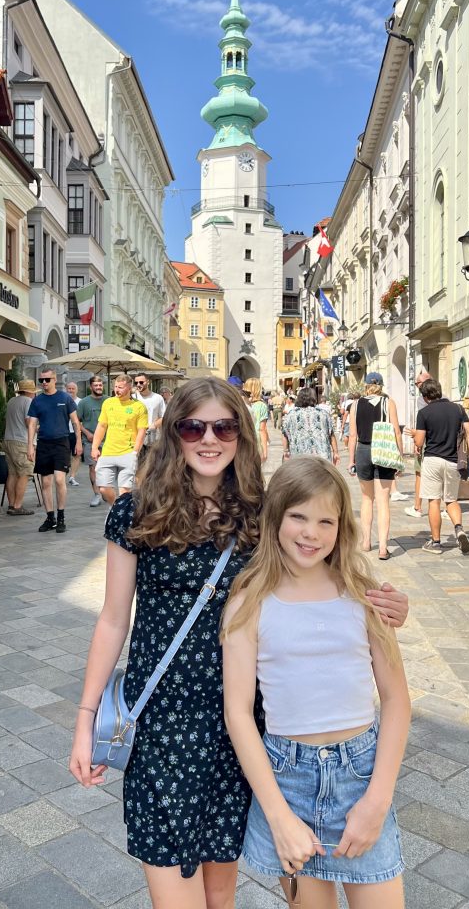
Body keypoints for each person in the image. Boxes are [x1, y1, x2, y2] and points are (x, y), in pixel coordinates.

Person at [69, 379, 410, 909]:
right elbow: (114, 620)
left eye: (224, 426)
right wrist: (87, 718)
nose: (209, 439)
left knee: (221, 892)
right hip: (164, 724)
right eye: (193, 426)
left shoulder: (260, 513)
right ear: (172, 433)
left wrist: (385, 605)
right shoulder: (136, 513)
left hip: (245, 728)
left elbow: (322, 566)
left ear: (241, 435)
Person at [222, 456, 410, 909]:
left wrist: (377, 802)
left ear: (342, 526)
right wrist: (279, 816)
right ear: (275, 518)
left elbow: (397, 700)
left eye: (326, 521)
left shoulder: (364, 595)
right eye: (298, 517)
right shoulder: (248, 603)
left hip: (360, 778)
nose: (311, 533)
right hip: (288, 781)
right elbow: (239, 713)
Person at [413, 379, 469, 555]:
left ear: (425, 397)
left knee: (434, 501)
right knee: (451, 500)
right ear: (439, 392)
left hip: (433, 460)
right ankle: (459, 529)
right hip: (453, 460)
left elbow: (419, 441)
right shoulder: (457, 409)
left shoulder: (424, 413)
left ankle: (436, 542)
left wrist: (414, 437)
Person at [348, 373, 403, 561]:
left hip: (363, 449)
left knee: (366, 498)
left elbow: (353, 435)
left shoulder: (356, 405)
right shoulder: (389, 403)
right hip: (384, 450)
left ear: (366, 385)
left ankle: (365, 542)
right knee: (383, 501)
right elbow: (396, 431)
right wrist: (400, 456)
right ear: (381, 385)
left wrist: (351, 460)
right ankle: (383, 547)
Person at [26, 368, 82, 535]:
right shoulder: (37, 401)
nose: (44, 383)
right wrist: (30, 445)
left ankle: (61, 516)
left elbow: (75, 421)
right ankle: (50, 517)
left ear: (54, 380)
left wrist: (78, 441)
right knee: (46, 483)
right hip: (44, 443)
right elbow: (32, 425)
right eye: (41, 380)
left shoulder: (65, 398)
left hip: (61, 443)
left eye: (47, 380)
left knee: (59, 480)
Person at [91, 374, 147, 505]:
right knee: (103, 488)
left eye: (121, 387)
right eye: (116, 386)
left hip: (127, 452)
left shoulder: (139, 407)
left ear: (129, 388)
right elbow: (102, 426)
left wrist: (135, 452)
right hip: (108, 452)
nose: (117, 390)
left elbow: (141, 431)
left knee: (124, 491)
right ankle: (115, 508)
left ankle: (122, 516)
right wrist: (94, 447)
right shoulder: (108, 403)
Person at [2, 379, 36, 515]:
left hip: (8, 439)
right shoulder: (28, 402)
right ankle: (17, 506)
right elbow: (29, 423)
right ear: (30, 392)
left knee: (12, 473)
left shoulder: (11, 401)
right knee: (24, 473)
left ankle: (11, 504)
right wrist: (37, 427)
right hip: (22, 441)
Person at [282, 387, 339, 465]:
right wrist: (336, 452)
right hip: (322, 459)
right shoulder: (323, 413)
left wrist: (286, 452)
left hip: (299, 458)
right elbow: (331, 434)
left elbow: (285, 435)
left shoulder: (291, 415)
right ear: (314, 398)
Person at [403, 370, 431, 518]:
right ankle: (446, 509)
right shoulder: (444, 398)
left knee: (419, 474)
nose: (416, 386)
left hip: (427, 442)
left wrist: (417, 441)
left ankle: (417, 507)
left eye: (418, 383)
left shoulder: (423, 399)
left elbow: (424, 425)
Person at [77, 376, 107, 507]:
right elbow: (76, 421)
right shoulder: (84, 402)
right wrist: (87, 433)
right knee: (93, 467)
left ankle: (106, 491)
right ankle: (96, 494)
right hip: (90, 440)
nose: (99, 387)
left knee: (107, 468)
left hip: (108, 440)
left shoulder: (109, 401)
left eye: (100, 385)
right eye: (96, 385)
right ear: (91, 387)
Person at [133, 373, 166, 447]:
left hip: (152, 439)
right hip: (135, 439)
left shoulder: (157, 398)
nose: (138, 384)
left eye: (141, 382)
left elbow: (164, 416)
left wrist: (154, 425)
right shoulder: (132, 398)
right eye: (136, 383)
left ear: (148, 382)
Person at [243, 377, 268, 463]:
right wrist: (265, 450)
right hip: (255, 441)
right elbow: (262, 429)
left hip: (242, 439)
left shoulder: (240, 404)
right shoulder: (262, 406)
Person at [65, 381, 82, 487]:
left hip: (76, 432)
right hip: (64, 432)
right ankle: (64, 474)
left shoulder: (81, 402)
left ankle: (72, 476)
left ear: (77, 390)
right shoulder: (62, 400)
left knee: (76, 455)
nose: (71, 390)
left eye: (73, 388)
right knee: (65, 455)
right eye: (69, 388)